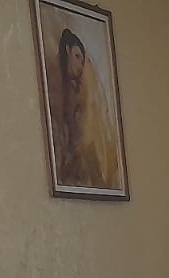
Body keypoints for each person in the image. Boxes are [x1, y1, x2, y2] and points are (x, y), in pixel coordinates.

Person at [53, 28, 121, 190]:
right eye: (77, 56)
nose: (80, 65)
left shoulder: (82, 93)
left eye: (82, 61)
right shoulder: (56, 88)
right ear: (67, 50)